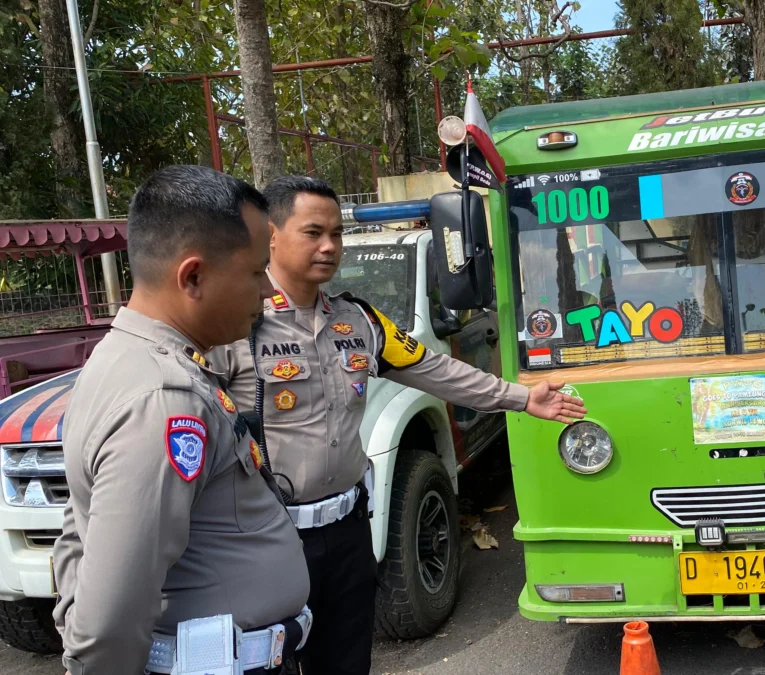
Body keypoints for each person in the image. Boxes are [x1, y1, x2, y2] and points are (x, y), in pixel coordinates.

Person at [207, 176, 587, 675]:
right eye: (313, 232)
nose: (329, 246)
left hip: (347, 533)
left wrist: (519, 398)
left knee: (346, 661)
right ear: (271, 236)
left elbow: (435, 369)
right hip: (270, 538)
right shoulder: (234, 326)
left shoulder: (358, 321)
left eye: (337, 234)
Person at [51, 166, 312, 674]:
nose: (267, 293)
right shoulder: (163, 398)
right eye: (257, 271)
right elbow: (106, 626)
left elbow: (79, 528)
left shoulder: (128, 360)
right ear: (192, 276)